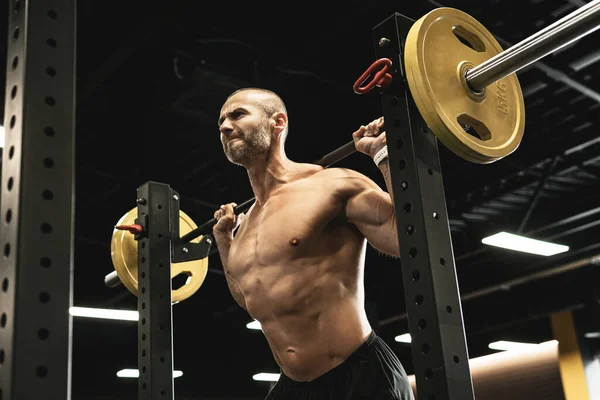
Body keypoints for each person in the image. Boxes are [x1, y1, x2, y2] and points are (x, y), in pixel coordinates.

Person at [212, 87, 414, 400]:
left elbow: (408, 240)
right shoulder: (246, 223)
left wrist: (384, 156)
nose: (225, 126)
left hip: (359, 376)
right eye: (221, 121)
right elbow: (248, 298)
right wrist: (224, 242)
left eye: (238, 114)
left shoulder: (332, 184)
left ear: (277, 122)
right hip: (293, 386)